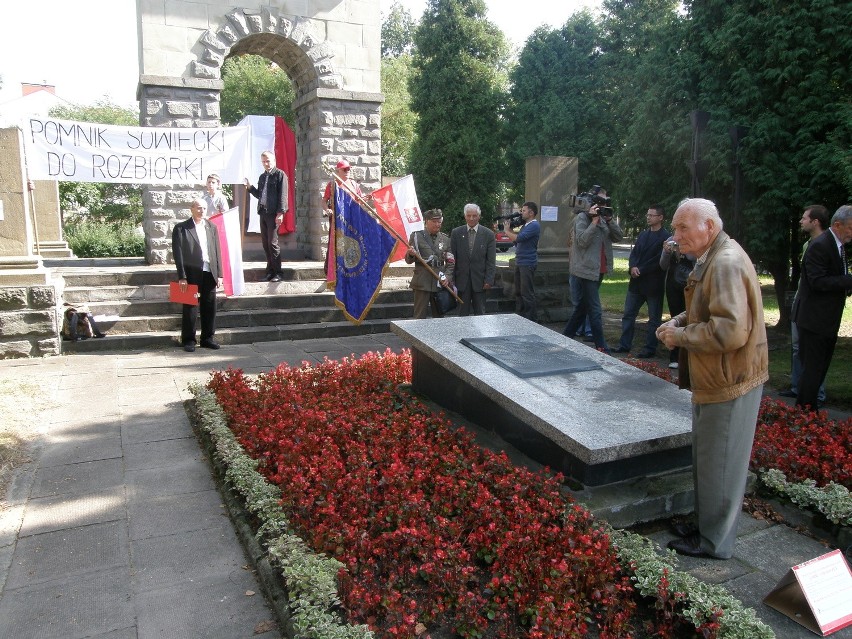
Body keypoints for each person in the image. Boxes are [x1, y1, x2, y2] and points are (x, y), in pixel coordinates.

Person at [656, 198, 768, 559]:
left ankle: (714, 542)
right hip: (718, 380)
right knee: (709, 459)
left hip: (729, 381)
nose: (676, 236)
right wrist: (680, 320)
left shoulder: (726, 262)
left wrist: (680, 337)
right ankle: (707, 527)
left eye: (682, 228)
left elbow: (730, 331)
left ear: (709, 226)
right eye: (675, 227)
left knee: (720, 465)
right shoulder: (716, 256)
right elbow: (708, 305)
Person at [792, 204, 852, 411]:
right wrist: (848, 281)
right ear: (838, 224)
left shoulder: (838, 246)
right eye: (850, 228)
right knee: (812, 370)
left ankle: (808, 411)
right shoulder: (821, 245)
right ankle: (805, 412)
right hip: (814, 320)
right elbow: (818, 282)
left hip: (827, 320)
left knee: (819, 370)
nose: (851, 234)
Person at [561, 189, 624, 353]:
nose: (603, 206)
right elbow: (581, 241)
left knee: (583, 307)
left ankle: (565, 336)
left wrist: (609, 221)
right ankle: (601, 347)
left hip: (599, 270)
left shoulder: (604, 219)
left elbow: (618, 237)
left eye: (605, 202)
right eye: (600, 202)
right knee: (595, 310)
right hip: (585, 270)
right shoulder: (582, 218)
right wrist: (594, 222)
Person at [779, 205, 829, 402]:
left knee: (813, 351)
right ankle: (798, 387)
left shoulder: (824, 244)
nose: (801, 221)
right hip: (801, 303)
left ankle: (817, 393)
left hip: (813, 310)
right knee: (798, 348)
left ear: (815, 221)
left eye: (804, 218)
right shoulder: (808, 244)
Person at [612, 205, 670, 357]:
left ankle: (650, 348)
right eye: (648, 214)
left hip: (653, 283)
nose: (648, 217)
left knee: (653, 319)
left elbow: (659, 260)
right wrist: (632, 267)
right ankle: (624, 345)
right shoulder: (643, 235)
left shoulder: (665, 237)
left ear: (660, 218)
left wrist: (641, 269)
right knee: (628, 315)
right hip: (636, 283)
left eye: (652, 215)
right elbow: (634, 253)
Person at [172, 197, 223, 352]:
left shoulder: (211, 227)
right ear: (192, 209)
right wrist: (182, 277)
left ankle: (207, 338)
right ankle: (188, 340)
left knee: (209, 306)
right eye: (199, 208)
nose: (202, 211)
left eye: (204, 208)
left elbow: (217, 251)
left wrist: (219, 274)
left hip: (209, 271)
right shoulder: (181, 229)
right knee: (190, 306)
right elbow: (178, 254)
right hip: (191, 273)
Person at [244, 151, 288, 282]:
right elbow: (260, 195)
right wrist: (250, 188)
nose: (266, 164)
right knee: (265, 244)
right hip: (263, 212)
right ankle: (269, 271)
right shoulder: (262, 177)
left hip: (274, 213)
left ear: (274, 160)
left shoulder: (280, 174)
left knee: (272, 243)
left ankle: (278, 273)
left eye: (268, 161)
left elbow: (283, 195)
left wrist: (281, 213)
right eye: (263, 161)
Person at [405, 209, 456, 318]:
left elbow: (451, 261)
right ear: (426, 221)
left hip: (439, 281)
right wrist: (411, 254)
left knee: (439, 317)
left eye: (439, 222)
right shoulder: (416, 237)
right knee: (419, 316)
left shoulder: (445, 239)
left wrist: (447, 277)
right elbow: (408, 260)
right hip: (422, 282)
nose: (437, 224)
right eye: (434, 221)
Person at [449, 203, 496, 316]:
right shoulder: (456, 233)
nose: (471, 218)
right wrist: (451, 279)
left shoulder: (488, 234)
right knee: (462, 314)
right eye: (469, 215)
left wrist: (489, 280)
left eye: (474, 215)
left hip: (480, 281)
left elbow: (491, 260)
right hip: (461, 281)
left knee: (480, 314)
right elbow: (452, 259)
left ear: (479, 216)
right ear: (465, 216)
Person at [659, 236, 695, 369]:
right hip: (673, 284)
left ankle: (687, 357)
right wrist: (667, 251)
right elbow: (662, 265)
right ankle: (674, 356)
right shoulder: (670, 239)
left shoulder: (693, 240)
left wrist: (682, 248)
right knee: (675, 316)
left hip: (689, 284)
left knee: (690, 318)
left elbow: (694, 260)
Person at [323, 159, 364, 275]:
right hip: (337, 219)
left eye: (348, 169)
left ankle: (348, 269)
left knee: (350, 243)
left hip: (351, 219)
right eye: (344, 169)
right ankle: (330, 271)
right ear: (339, 170)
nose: (347, 171)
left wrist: (366, 199)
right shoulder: (332, 185)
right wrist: (327, 209)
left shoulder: (354, 185)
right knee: (335, 244)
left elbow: (359, 201)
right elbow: (324, 201)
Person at [503, 201, 540, 321]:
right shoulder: (526, 225)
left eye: (524, 211)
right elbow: (517, 241)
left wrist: (507, 231)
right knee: (518, 292)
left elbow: (520, 238)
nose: (521, 213)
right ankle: (520, 317)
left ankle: (531, 320)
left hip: (527, 263)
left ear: (531, 213)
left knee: (527, 293)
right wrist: (510, 231)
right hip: (520, 262)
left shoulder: (534, 225)